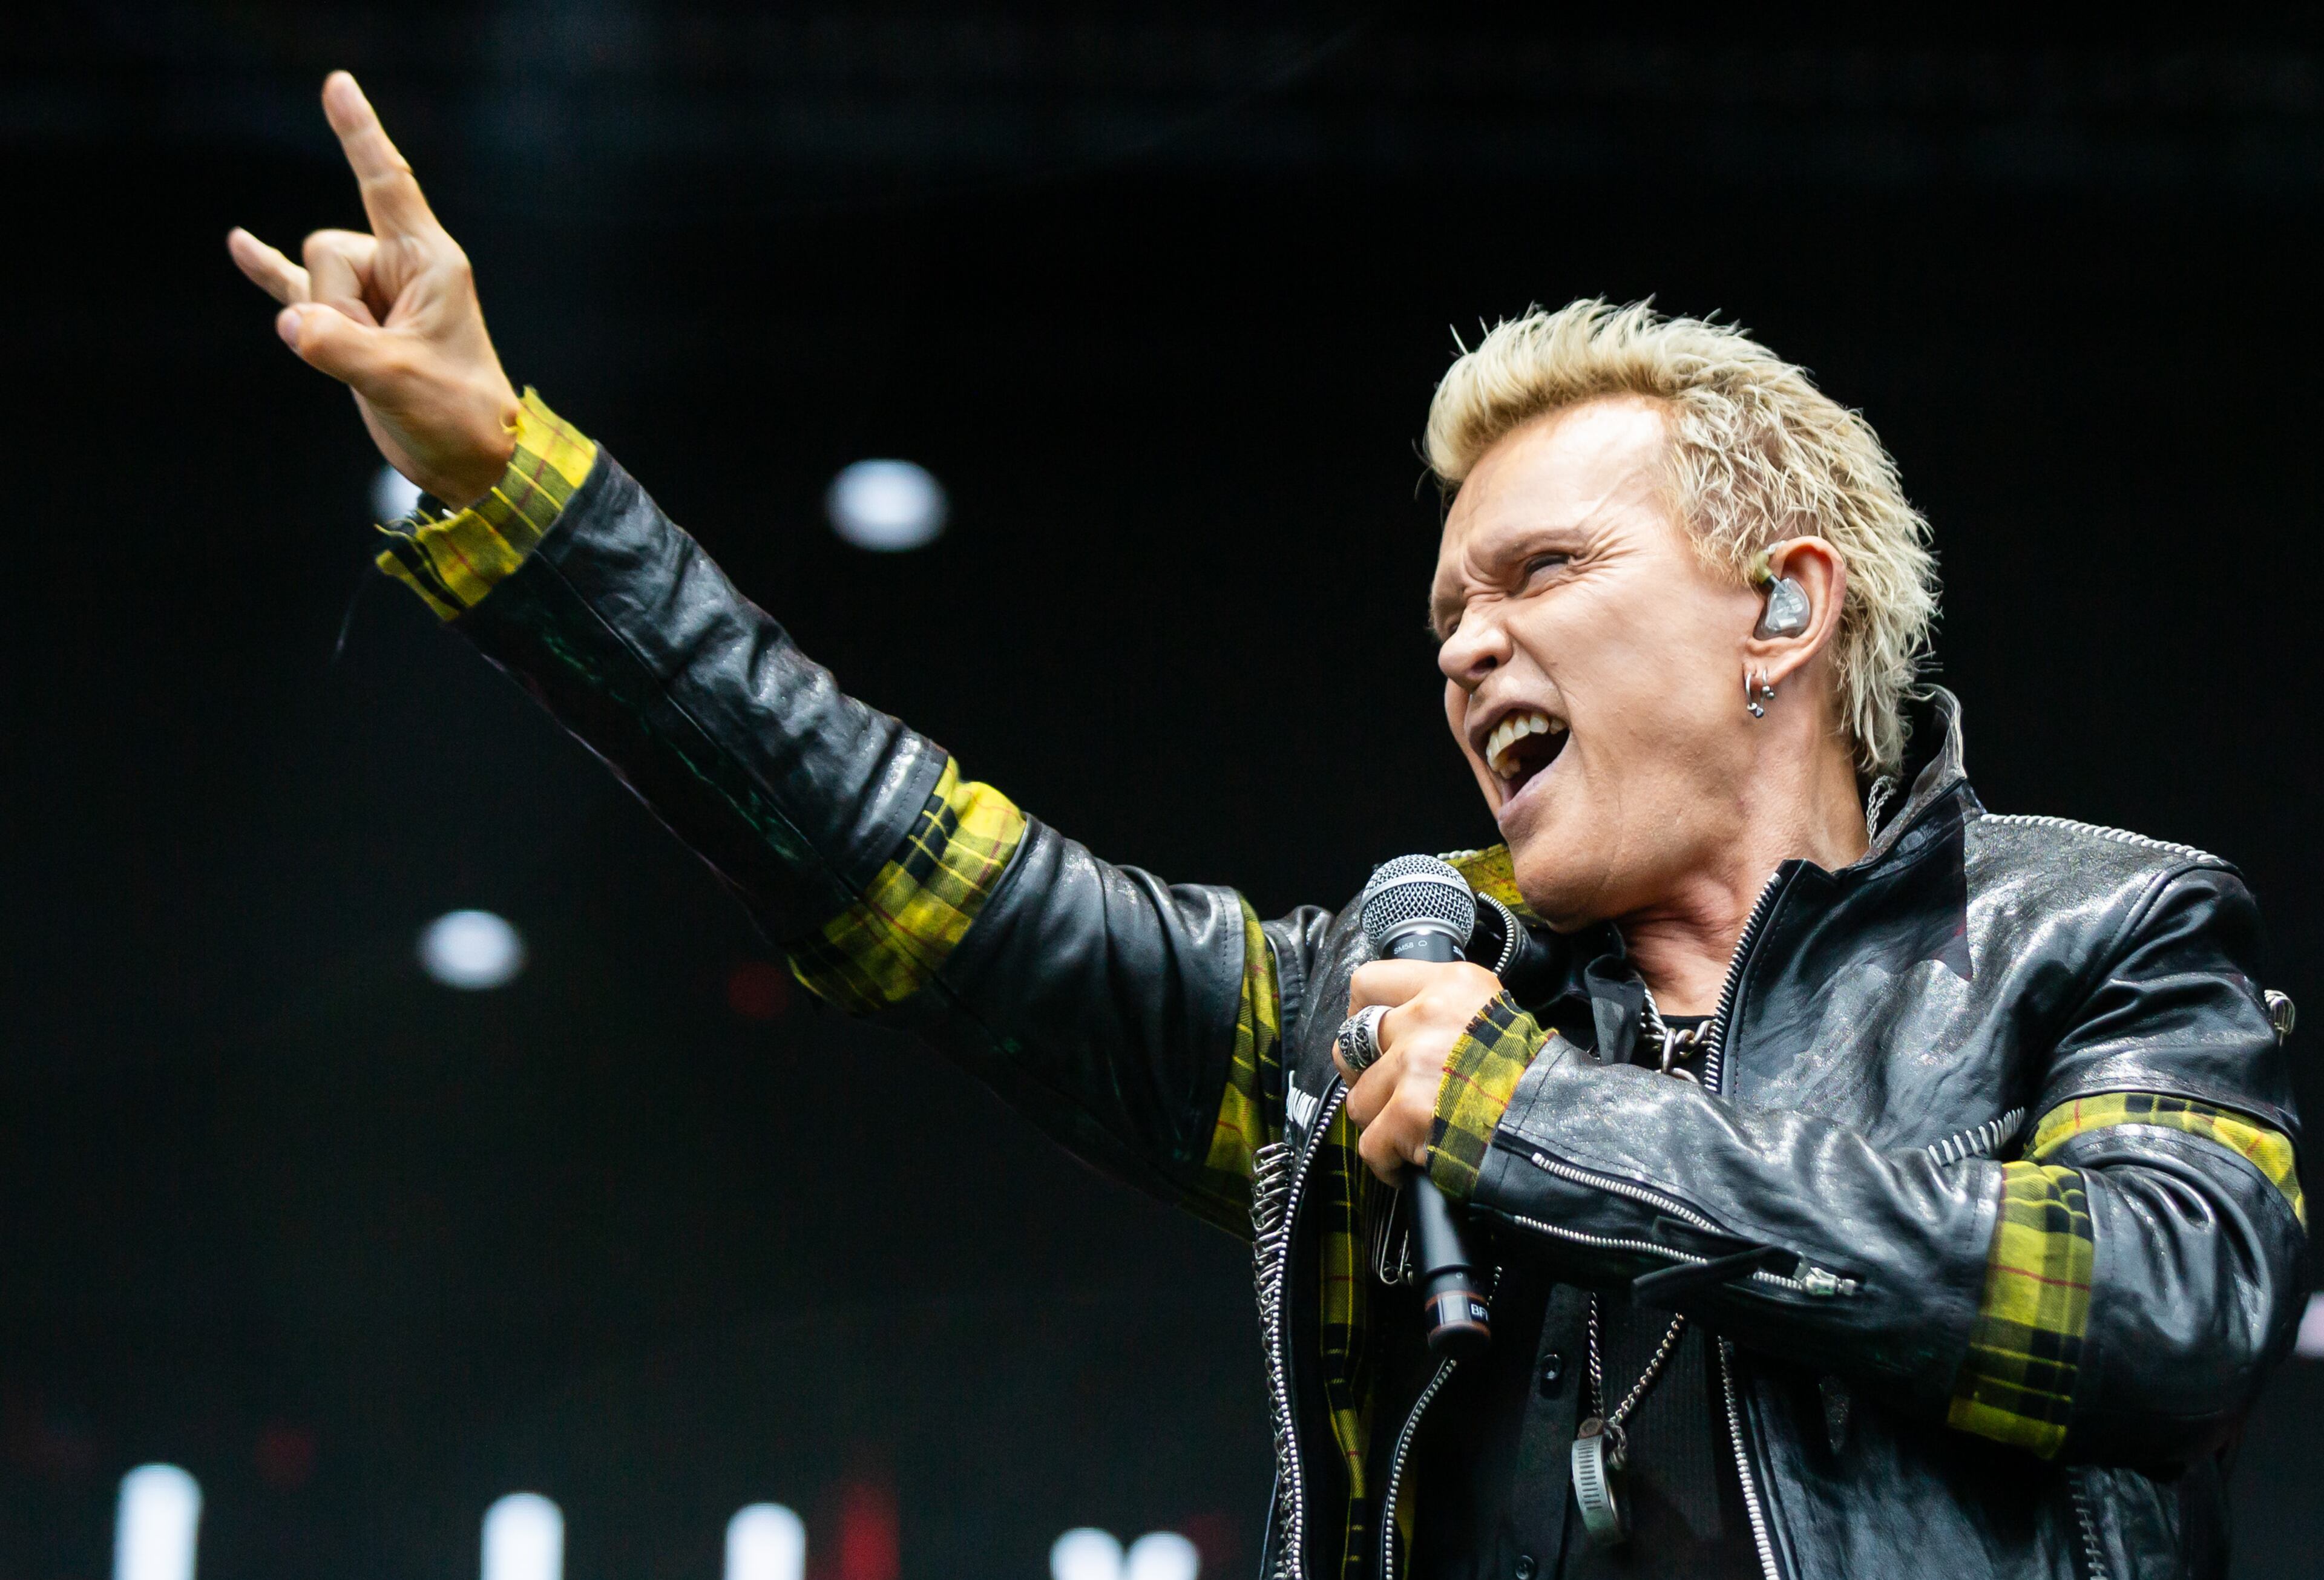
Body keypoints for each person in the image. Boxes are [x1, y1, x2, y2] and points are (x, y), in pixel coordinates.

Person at [228, 73, 2305, 1580]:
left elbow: (2150, 1311)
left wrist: (1534, 1128)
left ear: (1782, 605)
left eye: (1543, 572)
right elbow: (913, 876)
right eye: (1445, 612)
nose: (1467, 645)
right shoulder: (1385, 1018)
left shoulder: (2093, 930)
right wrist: (513, 485)